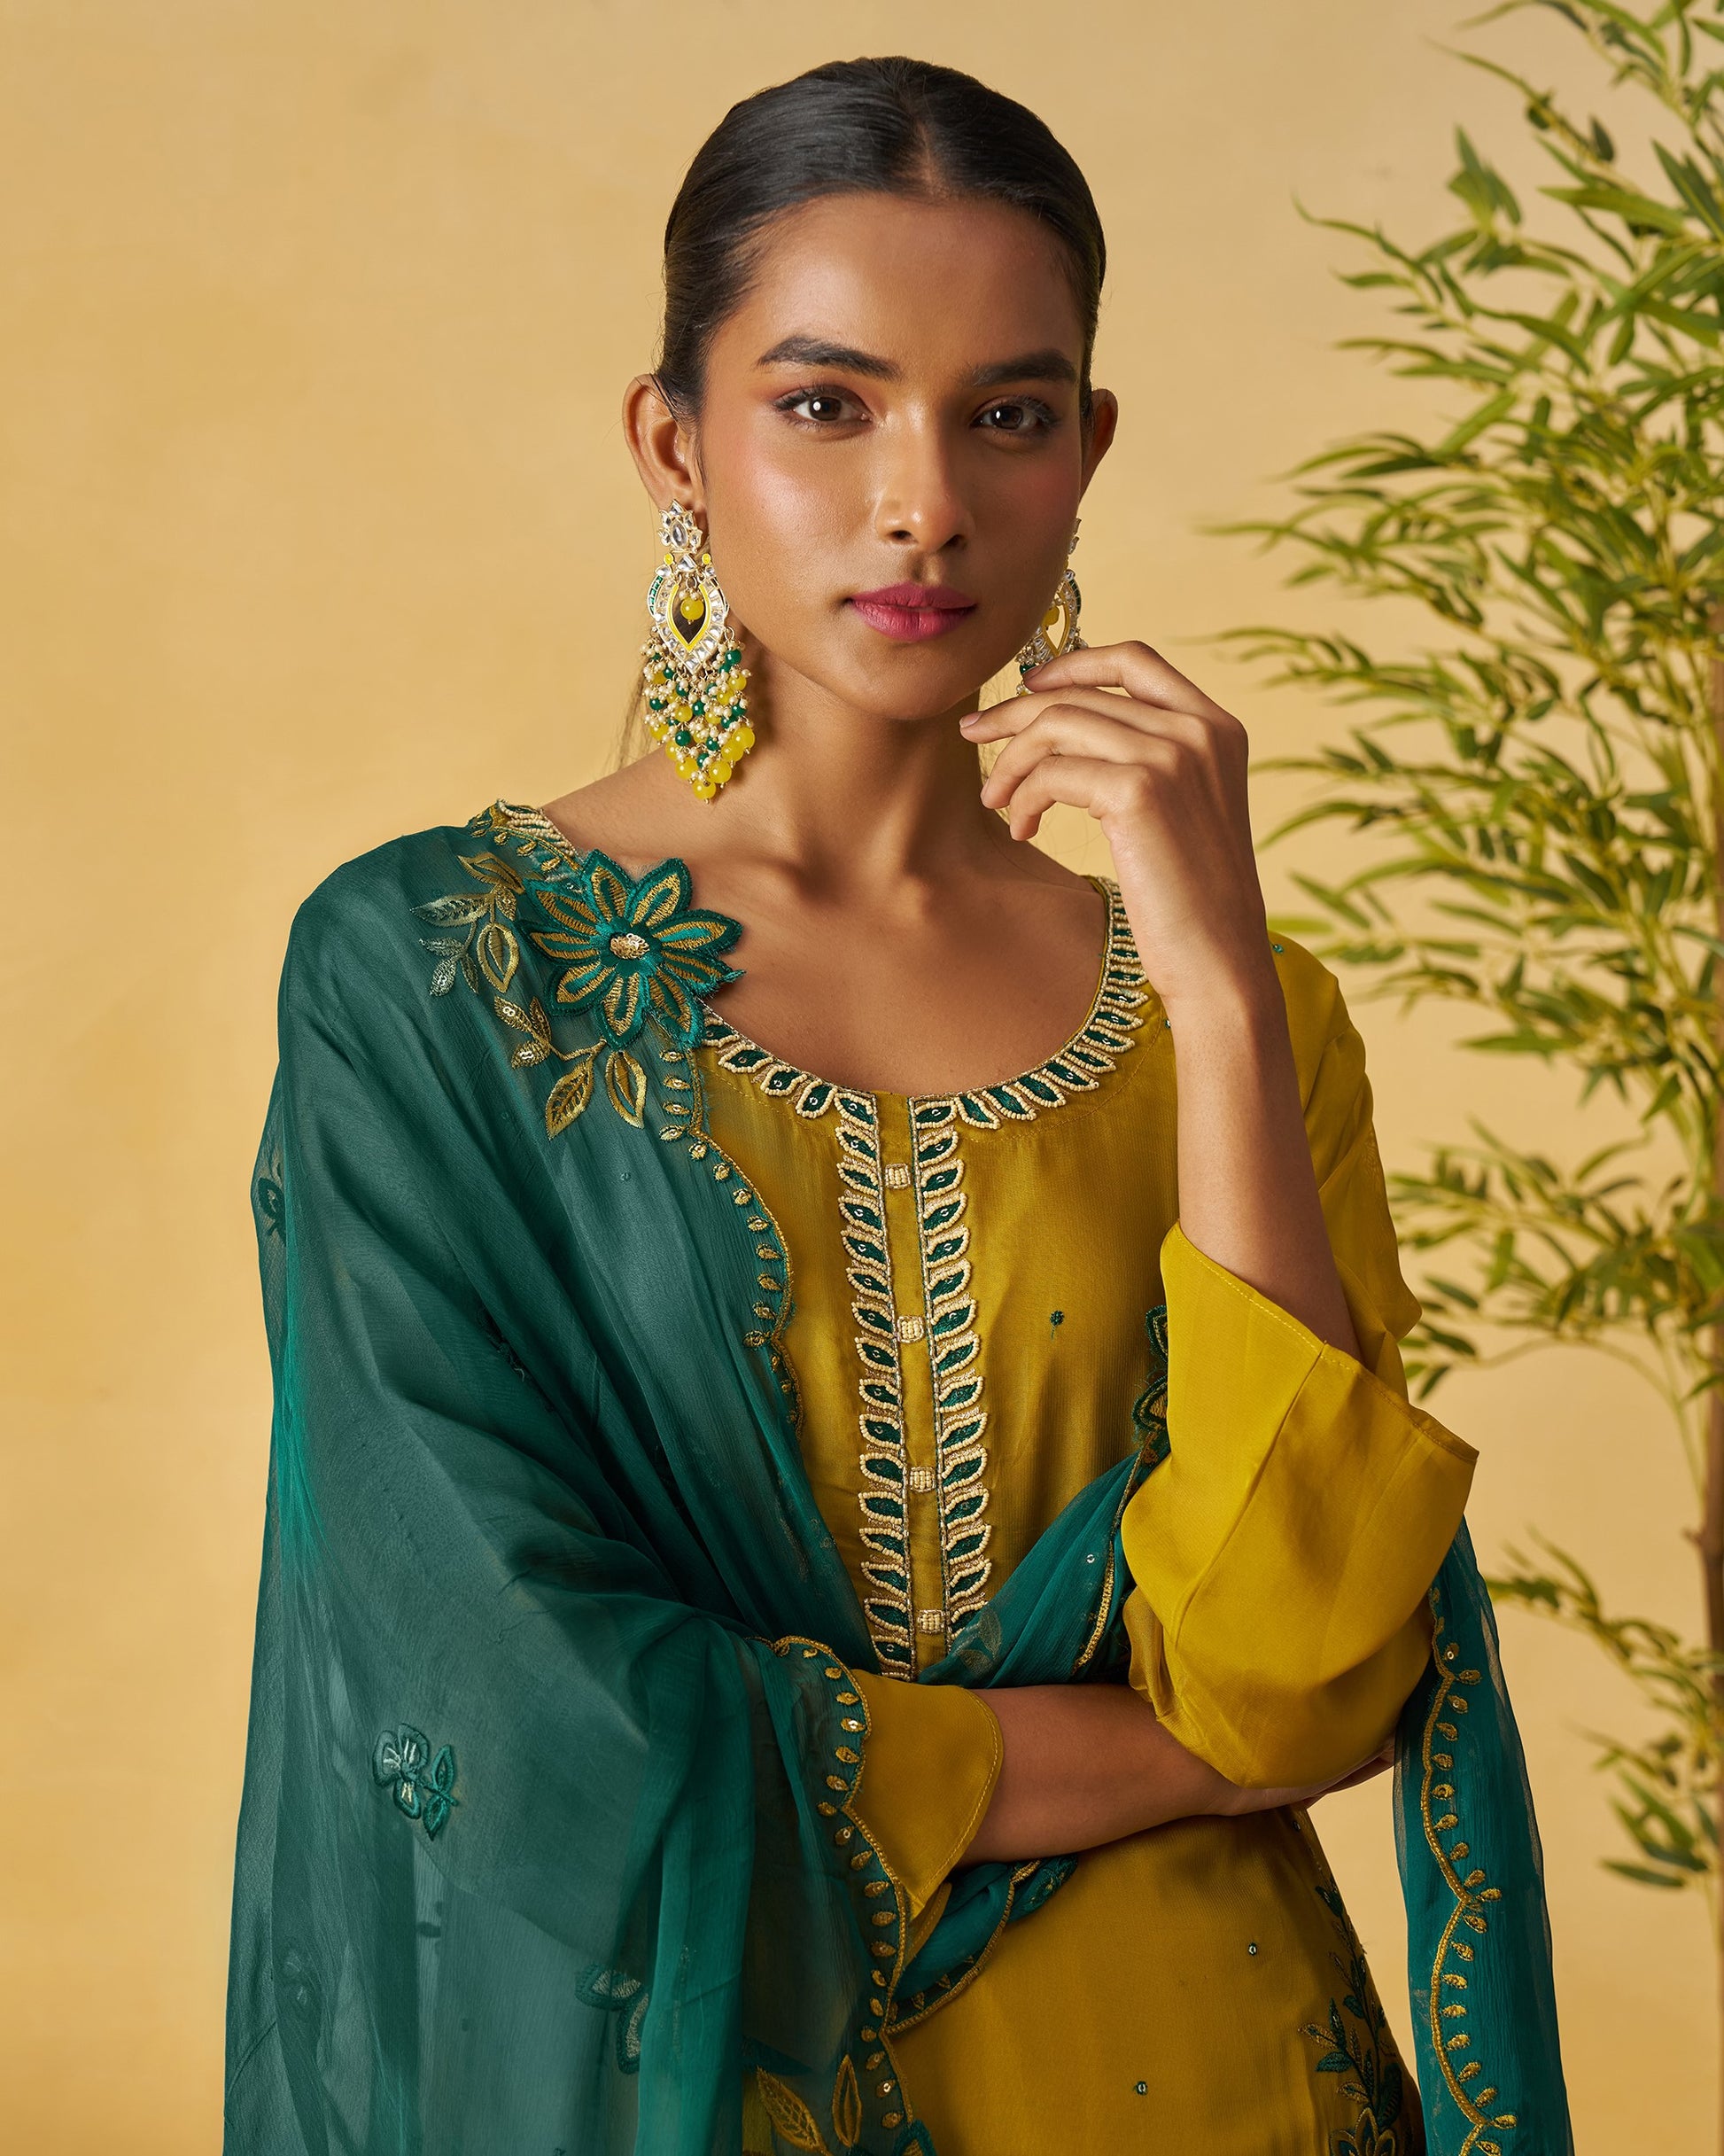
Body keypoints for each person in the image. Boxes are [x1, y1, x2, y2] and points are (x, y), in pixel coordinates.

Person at [224, 56, 1570, 2156]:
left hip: (1221, 2084)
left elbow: (1305, 1671)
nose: (923, 500)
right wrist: (1160, 1754)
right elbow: (502, 1701)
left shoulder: (1234, 1012)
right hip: (690, 2086)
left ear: (1086, 449)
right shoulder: (432, 973)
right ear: (676, 443)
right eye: (827, 405)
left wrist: (1213, 971)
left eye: (1005, 413)